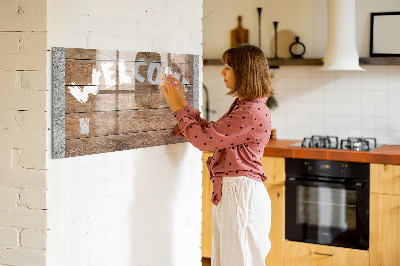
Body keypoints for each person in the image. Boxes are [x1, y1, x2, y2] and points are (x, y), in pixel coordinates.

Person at [160, 44, 273, 266]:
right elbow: (213, 133)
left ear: (244, 71)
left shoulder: (250, 111)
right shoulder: (246, 106)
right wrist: (182, 104)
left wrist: (176, 108)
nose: (222, 72)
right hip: (236, 193)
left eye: (228, 67)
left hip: (241, 195)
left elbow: (204, 141)